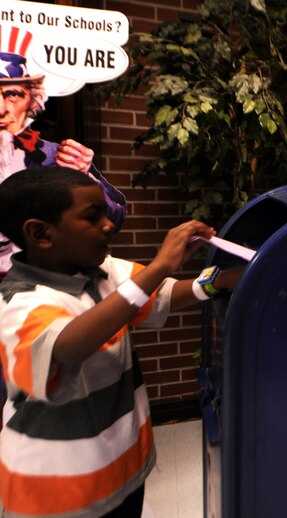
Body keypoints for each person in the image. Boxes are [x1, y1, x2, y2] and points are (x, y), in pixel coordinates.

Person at [0, 167, 239, 517]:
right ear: (41, 233)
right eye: (92, 217)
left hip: (121, 473)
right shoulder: (17, 302)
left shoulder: (105, 271)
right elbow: (68, 347)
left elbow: (162, 295)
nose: (109, 225)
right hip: (55, 495)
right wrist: (158, 267)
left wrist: (228, 278)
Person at [0, 51, 127, 274]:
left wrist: (83, 177)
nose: (1, 110)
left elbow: (114, 218)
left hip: (41, 282)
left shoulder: (54, 155)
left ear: (31, 99)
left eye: (13, 95)